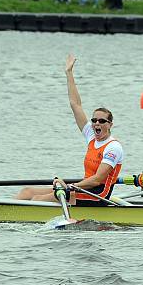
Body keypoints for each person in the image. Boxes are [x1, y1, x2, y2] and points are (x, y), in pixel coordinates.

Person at [14, 54, 124, 206]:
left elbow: (98, 179)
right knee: (27, 192)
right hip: (82, 189)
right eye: (94, 120)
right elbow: (75, 105)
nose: (96, 124)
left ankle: (14, 217)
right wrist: (69, 73)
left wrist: (70, 187)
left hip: (97, 195)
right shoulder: (91, 137)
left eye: (102, 121)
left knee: (37, 200)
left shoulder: (113, 147)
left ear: (110, 124)